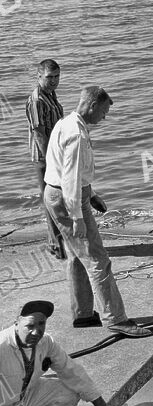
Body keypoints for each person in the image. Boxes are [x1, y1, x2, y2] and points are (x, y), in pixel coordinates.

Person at [43, 86, 152, 337]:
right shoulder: (77, 135)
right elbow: (70, 178)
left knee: (77, 257)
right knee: (98, 261)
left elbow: (69, 170)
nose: (104, 117)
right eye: (103, 111)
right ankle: (116, 319)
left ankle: (82, 314)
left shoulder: (67, 122)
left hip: (60, 194)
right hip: (67, 199)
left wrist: (91, 195)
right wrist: (77, 216)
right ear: (92, 105)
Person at [0, 300, 125, 406]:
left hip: (19, 402)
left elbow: (71, 370)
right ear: (16, 322)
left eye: (41, 324)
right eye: (29, 325)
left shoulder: (45, 341)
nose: (36, 331)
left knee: (69, 392)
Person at [25, 59, 66, 260]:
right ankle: (56, 244)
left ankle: (57, 241)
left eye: (57, 76)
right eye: (50, 77)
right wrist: (52, 161)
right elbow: (40, 134)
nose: (54, 81)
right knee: (51, 199)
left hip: (55, 154)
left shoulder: (50, 95)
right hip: (44, 157)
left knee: (56, 198)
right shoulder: (36, 100)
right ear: (39, 76)